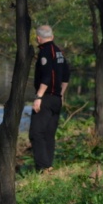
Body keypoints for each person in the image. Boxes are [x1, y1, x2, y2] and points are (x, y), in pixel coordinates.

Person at [30, 25, 70, 172]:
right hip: (56, 99)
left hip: (46, 98)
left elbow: (46, 76)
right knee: (49, 133)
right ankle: (49, 165)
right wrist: (61, 94)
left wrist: (39, 96)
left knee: (36, 133)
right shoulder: (59, 52)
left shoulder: (45, 52)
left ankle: (43, 167)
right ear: (52, 36)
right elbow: (66, 75)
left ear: (38, 38)